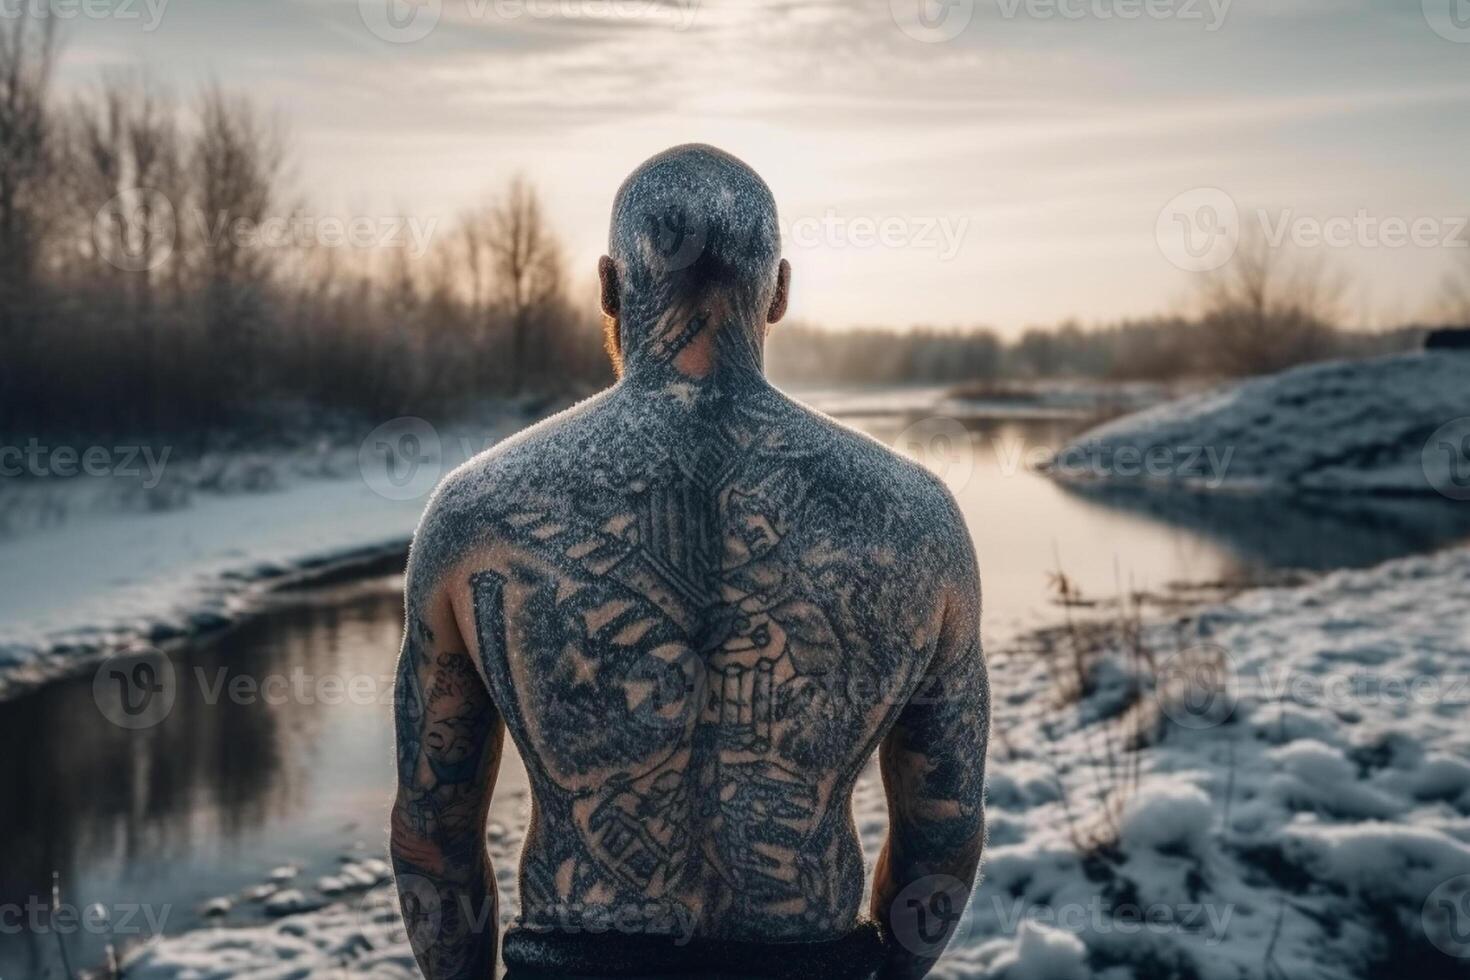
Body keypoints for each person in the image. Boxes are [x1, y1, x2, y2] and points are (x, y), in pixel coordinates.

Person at [390, 144, 989, 980]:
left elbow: (433, 836)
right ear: (779, 290)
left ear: (608, 286)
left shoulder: (478, 514)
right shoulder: (915, 519)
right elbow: (945, 836)